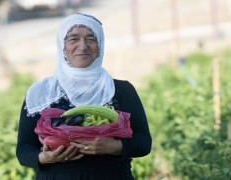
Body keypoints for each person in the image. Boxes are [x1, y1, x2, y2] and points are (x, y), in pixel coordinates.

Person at [16, 13, 152, 180]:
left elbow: (144, 142)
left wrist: (115, 146)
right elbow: (23, 149)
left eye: (91, 39)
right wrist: (45, 158)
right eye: (73, 39)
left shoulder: (121, 90)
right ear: (62, 46)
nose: (83, 46)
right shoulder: (41, 93)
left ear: (100, 45)